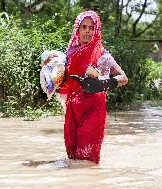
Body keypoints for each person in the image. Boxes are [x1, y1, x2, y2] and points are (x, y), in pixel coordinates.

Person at [42, 10, 128, 164]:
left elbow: (124, 78)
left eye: (91, 27)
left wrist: (102, 84)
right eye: (84, 27)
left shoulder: (103, 54)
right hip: (73, 108)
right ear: (78, 29)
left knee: (86, 157)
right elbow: (54, 76)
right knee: (72, 156)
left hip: (94, 107)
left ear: (96, 30)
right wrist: (47, 63)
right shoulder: (67, 54)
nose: (87, 31)